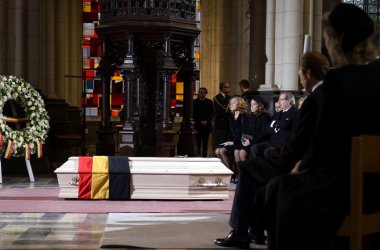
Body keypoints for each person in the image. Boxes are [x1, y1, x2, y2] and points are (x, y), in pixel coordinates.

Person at [261, 4, 380, 250]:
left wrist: (301, 167)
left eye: (327, 36)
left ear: (337, 41)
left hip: (341, 189)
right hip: (375, 188)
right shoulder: (376, 77)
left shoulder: (337, 81)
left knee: (278, 188)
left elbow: (321, 144)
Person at [214, 51, 330, 249]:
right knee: (260, 173)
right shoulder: (331, 95)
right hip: (325, 164)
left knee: (248, 170)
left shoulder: (314, 101)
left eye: (300, 73)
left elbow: (297, 145)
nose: (301, 79)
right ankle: (256, 231)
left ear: (308, 73)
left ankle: (240, 232)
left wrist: (279, 154)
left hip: (311, 167)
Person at [250, 92, 297, 159]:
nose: (279, 102)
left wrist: (274, 124)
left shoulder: (295, 112)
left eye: (281, 99)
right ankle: (255, 168)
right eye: (279, 99)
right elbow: (267, 128)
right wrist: (277, 127)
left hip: (284, 144)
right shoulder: (278, 113)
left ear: (289, 101)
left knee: (268, 152)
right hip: (272, 142)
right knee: (255, 148)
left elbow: (286, 124)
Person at [215, 96, 248, 180]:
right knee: (217, 150)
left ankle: (234, 174)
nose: (230, 105)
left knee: (222, 151)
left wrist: (233, 142)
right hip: (233, 142)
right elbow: (230, 132)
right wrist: (228, 141)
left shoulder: (244, 116)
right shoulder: (231, 117)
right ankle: (229, 172)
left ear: (239, 104)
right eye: (230, 103)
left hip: (240, 142)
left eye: (233, 103)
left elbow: (244, 133)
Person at [234, 95, 271, 163]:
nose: (251, 106)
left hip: (259, 141)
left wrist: (250, 142)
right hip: (250, 140)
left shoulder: (265, 116)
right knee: (236, 151)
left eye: (254, 104)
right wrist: (244, 139)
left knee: (242, 153)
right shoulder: (251, 116)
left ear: (260, 106)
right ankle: (239, 172)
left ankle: (248, 172)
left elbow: (264, 133)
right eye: (251, 104)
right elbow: (248, 131)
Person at [193, 87, 214, 157]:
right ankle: (198, 156)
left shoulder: (209, 102)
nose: (202, 93)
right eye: (201, 92)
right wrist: (200, 121)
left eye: (204, 92)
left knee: (205, 143)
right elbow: (194, 113)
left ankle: (205, 156)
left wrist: (207, 121)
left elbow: (212, 113)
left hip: (206, 126)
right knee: (198, 143)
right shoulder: (194, 102)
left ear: (206, 93)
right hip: (198, 125)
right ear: (198, 93)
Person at [213, 82, 231, 147]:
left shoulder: (229, 97)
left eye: (229, 87)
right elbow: (219, 111)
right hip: (221, 123)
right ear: (221, 88)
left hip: (228, 123)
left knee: (226, 143)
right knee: (220, 142)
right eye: (226, 87)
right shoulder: (217, 98)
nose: (228, 89)